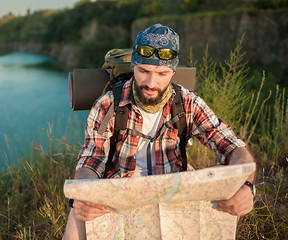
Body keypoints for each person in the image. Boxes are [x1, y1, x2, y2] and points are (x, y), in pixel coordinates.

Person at [63, 23, 255, 240]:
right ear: (134, 66)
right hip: (121, 192)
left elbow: (233, 146)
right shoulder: (107, 104)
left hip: (175, 190)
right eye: (143, 71)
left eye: (162, 73)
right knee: (77, 215)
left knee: (230, 194)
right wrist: (84, 196)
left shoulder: (188, 102)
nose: (151, 83)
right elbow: (91, 160)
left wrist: (247, 186)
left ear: (173, 71)